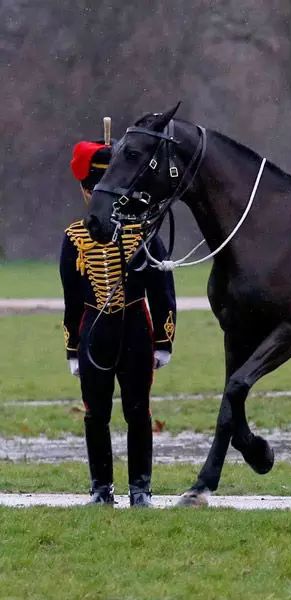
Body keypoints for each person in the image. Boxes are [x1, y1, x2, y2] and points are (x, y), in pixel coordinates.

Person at [59, 134, 177, 507]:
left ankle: (140, 488)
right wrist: (73, 348)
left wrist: (163, 339)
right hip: (95, 330)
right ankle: (101, 488)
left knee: (137, 410)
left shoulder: (143, 230)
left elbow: (162, 288)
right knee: (97, 413)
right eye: (91, 188)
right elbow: (72, 298)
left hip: (136, 329)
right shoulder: (75, 238)